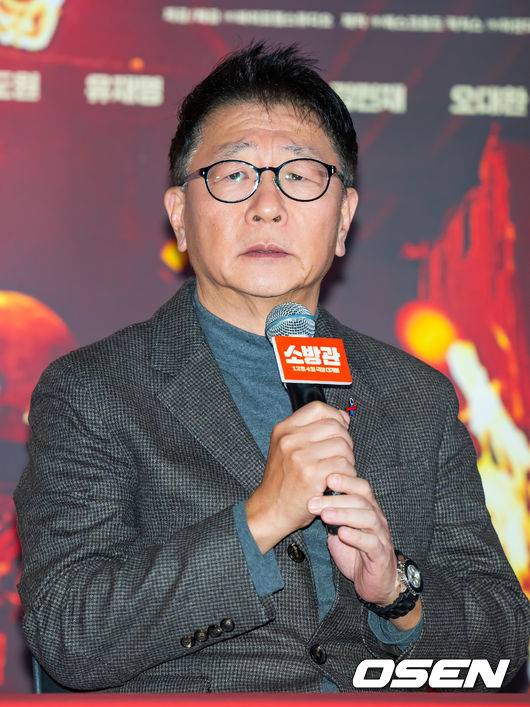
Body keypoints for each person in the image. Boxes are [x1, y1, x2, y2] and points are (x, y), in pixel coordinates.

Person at [13, 41, 530, 694]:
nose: (267, 205)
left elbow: (507, 638)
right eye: (233, 175)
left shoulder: (416, 398)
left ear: (343, 219)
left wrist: (397, 592)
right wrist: (258, 520)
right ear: (180, 216)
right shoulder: (94, 392)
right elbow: (69, 632)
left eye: (301, 175)